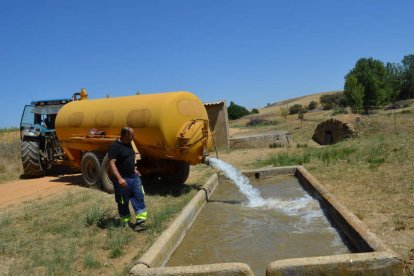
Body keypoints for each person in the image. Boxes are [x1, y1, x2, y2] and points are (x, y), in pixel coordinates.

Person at [108, 127, 148, 231]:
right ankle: (125, 223)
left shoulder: (129, 143)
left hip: (134, 177)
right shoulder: (115, 146)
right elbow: (111, 164)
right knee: (123, 201)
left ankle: (140, 222)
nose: (133, 137)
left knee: (139, 196)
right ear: (125, 135)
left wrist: (134, 169)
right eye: (132, 135)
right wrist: (120, 179)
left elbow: (129, 157)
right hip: (122, 179)